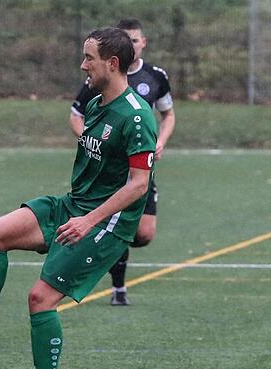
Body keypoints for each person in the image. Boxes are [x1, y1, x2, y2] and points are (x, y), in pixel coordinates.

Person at [0, 28, 157, 369]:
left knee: (40, 299)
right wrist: (76, 211)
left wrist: (89, 220)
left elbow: (139, 185)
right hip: (71, 206)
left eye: (89, 58)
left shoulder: (137, 117)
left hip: (105, 223)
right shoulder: (95, 104)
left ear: (112, 63)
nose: (82, 64)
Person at [69, 18, 174, 306]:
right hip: (112, 172)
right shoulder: (98, 79)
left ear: (143, 43)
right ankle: (118, 287)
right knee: (119, 221)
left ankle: (106, 240)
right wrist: (89, 140)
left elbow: (168, 114)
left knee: (144, 234)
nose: (133, 44)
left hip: (141, 165)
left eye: (136, 40)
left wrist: (160, 140)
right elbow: (77, 115)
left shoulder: (155, 77)